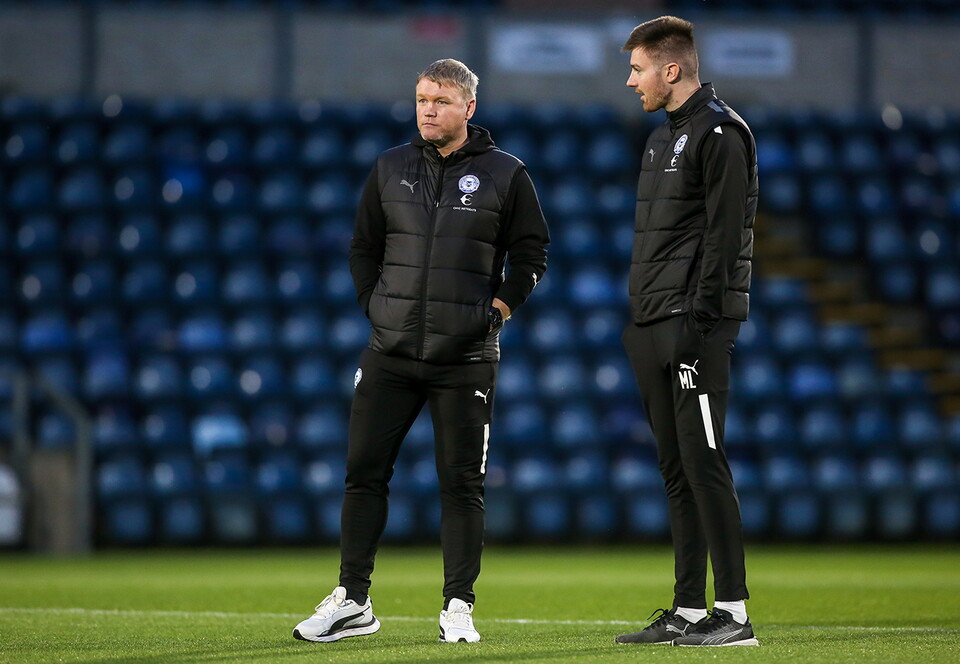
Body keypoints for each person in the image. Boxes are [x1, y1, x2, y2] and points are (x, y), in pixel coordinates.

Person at [292, 58, 549, 645]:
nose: (428, 109)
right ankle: (352, 600)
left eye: (440, 100)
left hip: (465, 358)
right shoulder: (389, 168)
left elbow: (532, 255)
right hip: (390, 351)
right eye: (421, 99)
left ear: (469, 108)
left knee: (461, 484)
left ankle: (458, 605)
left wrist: (496, 312)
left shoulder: (507, 175)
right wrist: (375, 307)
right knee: (363, 474)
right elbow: (363, 247)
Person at [615, 16, 759, 647]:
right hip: (651, 321)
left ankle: (734, 613)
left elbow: (726, 238)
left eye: (638, 69)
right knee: (677, 469)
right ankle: (690, 609)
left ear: (670, 70)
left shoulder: (721, 133)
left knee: (705, 464)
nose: (630, 81)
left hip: (692, 326)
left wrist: (699, 323)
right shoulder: (660, 138)